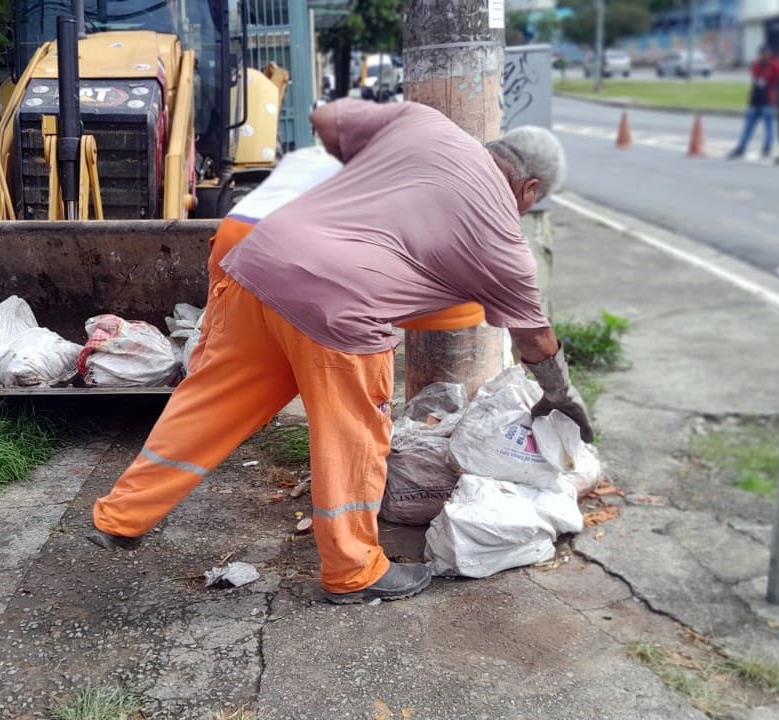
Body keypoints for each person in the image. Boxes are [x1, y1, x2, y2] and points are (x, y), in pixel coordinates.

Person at [88, 99, 592, 605]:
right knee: (352, 437)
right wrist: (562, 395)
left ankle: (121, 516)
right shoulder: (504, 240)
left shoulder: (426, 124)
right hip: (340, 308)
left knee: (210, 405)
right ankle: (354, 571)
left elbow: (328, 118)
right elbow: (534, 339)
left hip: (259, 262)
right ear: (529, 189)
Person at [729, 47, 779, 159]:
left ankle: (767, 147)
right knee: (748, 126)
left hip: (767, 100)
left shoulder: (774, 65)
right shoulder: (756, 65)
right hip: (755, 100)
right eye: (762, 54)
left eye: (766, 54)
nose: (764, 56)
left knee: (769, 127)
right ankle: (741, 147)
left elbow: (777, 78)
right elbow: (755, 77)